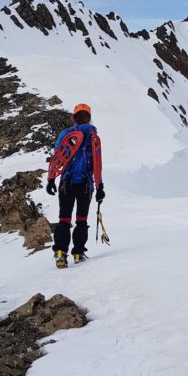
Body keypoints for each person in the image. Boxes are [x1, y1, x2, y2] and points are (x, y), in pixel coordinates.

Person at [46, 102, 105, 267]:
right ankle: (78, 253)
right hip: (85, 185)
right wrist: (100, 187)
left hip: (66, 183)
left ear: (74, 118)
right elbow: (97, 165)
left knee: (64, 219)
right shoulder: (94, 137)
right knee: (81, 220)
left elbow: (57, 158)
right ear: (89, 118)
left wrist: (51, 179)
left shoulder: (66, 135)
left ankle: (60, 253)